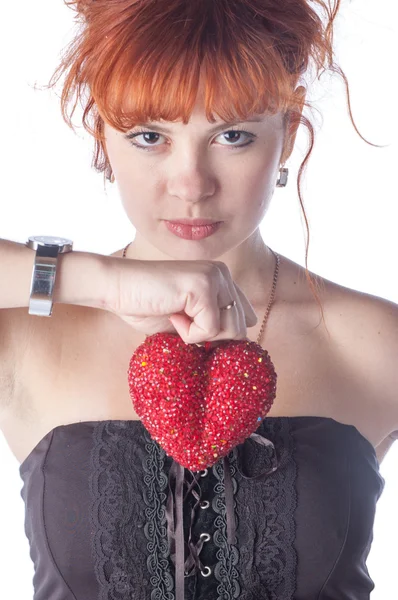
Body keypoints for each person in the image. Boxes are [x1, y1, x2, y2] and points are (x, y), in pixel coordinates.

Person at [0, 0, 397, 598]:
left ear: (286, 138)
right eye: (149, 136)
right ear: (101, 138)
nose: (190, 183)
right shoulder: (28, 336)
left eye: (233, 136)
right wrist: (95, 282)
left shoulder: (372, 341)